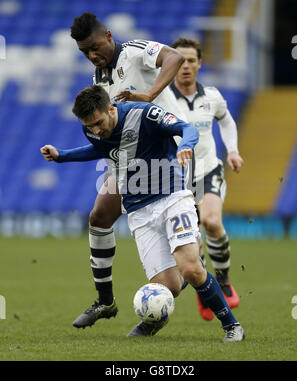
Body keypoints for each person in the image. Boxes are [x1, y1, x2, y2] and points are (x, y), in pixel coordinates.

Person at [40, 84, 245, 341]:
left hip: (172, 198)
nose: (95, 130)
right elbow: (102, 148)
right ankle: (156, 317)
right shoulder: (92, 129)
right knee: (168, 286)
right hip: (138, 211)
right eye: (90, 126)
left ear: (111, 109)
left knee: (191, 270)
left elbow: (187, 128)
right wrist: (63, 155)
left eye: (99, 123)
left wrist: (187, 145)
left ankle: (232, 326)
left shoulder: (146, 114)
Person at [68, 12, 186, 328]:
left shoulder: (133, 51)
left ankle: (176, 294)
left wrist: (150, 94)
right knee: (100, 216)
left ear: (108, 36)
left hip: (166, 154)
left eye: (94, 47)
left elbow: (174, 56)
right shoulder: (99, 78)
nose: (92, 55)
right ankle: (105, 302)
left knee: (184, 259)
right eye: (84, 52)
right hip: (130, 160)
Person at [170, 38, 244, 321]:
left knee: (211, 221)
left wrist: (233, 151)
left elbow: (225, 120)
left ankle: (223, 280)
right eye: (181, 60)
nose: (186, 66)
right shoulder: (163, 97)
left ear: (200, 64)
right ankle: (206, 290)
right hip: (177, 179)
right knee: (193, 243)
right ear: (172, 64)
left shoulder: (211, 96)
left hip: (208, 171)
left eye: (191, 60)